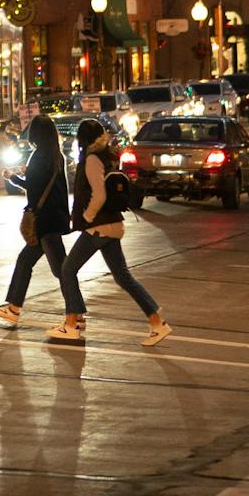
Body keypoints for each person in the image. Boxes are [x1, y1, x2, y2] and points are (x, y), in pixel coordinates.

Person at [48, 116, 171, 348]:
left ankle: (72, 323)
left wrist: (87, 217)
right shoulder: (106, 156)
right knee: (123, 277)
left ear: (83, 139)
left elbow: (100, 194)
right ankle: (157, 322)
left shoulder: (93, 159)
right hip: (112, 225)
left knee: (67, 269)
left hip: (99, 227)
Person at [0, 114, 76, 328]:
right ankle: (14, 308)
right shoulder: (56, 155)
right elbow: (48, 182)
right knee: (27, 262)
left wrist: (12, 177)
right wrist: (28, 172)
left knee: (62, 271)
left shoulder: (39, 156)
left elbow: (33, 187)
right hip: (54, 218)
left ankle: (76, 313)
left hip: (44, 223)